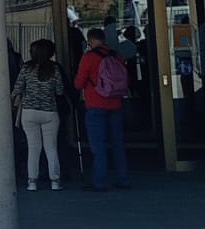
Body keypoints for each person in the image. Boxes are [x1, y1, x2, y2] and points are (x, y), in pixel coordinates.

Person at [73, 26, 132, 190]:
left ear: (90, 41)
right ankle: (123, 179)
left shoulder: (89, 57)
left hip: (95, 104)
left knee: (98, 146)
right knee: (117, 144)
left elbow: (78, 83)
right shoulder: (117, 56)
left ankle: (99, 181)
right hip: (115, 103)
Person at [12, 38, 65, 192]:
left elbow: (17, 89)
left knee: (33, 148)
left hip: (29, 112)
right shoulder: (54, 69)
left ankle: (32, 182)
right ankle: (55, 181)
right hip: (50, 112)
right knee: (51, 148)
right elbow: (60, 91)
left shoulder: (26, 68)